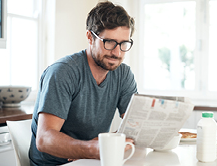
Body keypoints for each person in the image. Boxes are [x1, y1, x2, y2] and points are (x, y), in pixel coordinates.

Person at [29, 1, 137, 165]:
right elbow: (44, 139)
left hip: (92, 161)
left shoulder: (124, 74)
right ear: (89, 37)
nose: (117, 52)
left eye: (124, 44)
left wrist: (93, 148)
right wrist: (91, 149)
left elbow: (135, 125)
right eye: (109, 42)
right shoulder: (63, 72)